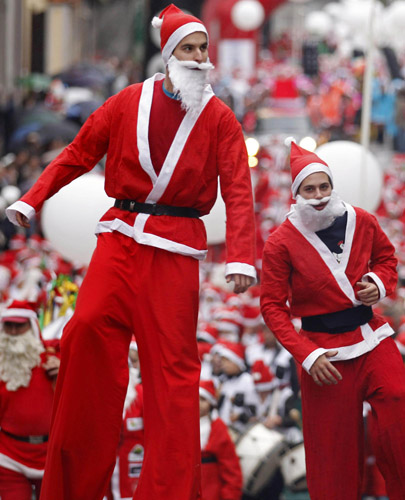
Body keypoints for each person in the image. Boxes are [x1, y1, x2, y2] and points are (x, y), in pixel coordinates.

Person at [5, 4, 256, 500]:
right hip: (119, 238)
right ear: (168, 55)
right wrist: (30, 200)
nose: (200, 57)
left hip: (174, 252)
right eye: (189, 48)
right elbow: (78, 152)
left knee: (173, 377)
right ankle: (73, 486)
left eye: (203, 49)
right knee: (83, 333)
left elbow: (240, 189)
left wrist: (242, 257)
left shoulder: (220, 119)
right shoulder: (126, 102)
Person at [260, 140, 405, 499]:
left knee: (398, 400)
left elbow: (387, 260)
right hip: (322, 353)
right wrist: (306, 354)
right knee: (332, 454)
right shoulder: (280, 243)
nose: (320, 195)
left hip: (369, 334)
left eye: (324, 186)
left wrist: (377, 283)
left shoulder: (362, 219)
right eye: (309, 189)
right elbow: (272, 306)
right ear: (296, 194)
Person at [0, 300, 60, 500]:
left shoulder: (53, 356)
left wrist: (65, 369)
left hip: (50, 454)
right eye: (9, 325)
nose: (14, 332)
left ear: (33, 327)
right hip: (9, 457)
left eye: (19, 325)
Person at [199, 379, 243, 500]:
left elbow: (231, 469)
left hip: (211, 492)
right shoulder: (183, 425)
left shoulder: (217, 427)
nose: (198, 403)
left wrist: (229, 495)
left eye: (203, 400)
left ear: (211, 403)